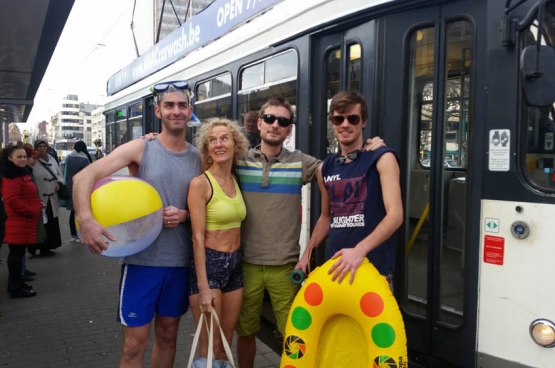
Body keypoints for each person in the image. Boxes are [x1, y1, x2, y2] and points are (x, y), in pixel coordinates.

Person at [234, 96, 383, 367]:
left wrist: (372, 148)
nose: (275, 125)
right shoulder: (238, 161)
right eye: (269, 119)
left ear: (289, 129)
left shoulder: (302, 162)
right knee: (246, 334)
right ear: (259, 123)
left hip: (285, 266)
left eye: (283, 121)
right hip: (246, 266)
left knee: (295, 337)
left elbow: (342, 167)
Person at [73, 80, 201, 368]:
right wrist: (86, 219)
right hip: (142, 263)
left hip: (180, 263)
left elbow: (209, 206)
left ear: (189, 110)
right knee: (134, 344)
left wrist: (185, 215)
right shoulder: (142, 147)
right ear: (158, 111)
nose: (176, 111)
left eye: (182, 106)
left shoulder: (198, 157)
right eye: (169, 106)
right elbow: (83, 178)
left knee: (168, 337)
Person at [297, 90, 403, 287]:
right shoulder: (324, 168)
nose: (345, 124)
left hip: (374, 270)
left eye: (352, 118)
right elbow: (326, 217)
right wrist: (306, 255)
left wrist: (359, 251)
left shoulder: (382, 158)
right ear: (332, 123)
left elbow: (395, 215)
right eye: (339, 119)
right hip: (336, 268)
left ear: (363, 122)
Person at [188, 118, 248, 362]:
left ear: (236, 144)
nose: (219, 144)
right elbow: (197, 238)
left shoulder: (236, 179)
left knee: (226, 340)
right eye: (212, 140)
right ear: (207, 148)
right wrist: (203, 287)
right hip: (210, 266)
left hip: (235, 264)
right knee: (210, 346)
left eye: (224, 138)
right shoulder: (200, 184)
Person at [1, 146, 42, 298]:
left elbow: (25, 195)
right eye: (19, 157)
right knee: (16, 255)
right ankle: (15, 287)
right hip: (18, 221)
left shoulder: (19, 173)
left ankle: (17, 283)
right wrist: (30, 211)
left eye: (24, 156)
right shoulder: (11, 176)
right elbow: (11, 199)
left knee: (18, 254)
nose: (23, 159)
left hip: (21, 220)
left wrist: (37, 204)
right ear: (10, 158)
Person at [32, 139, 62, 256]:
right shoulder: (33, 160)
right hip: (39, 196)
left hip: (52, 196)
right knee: (40, 223)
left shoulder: (52, 159)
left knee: (51, 222)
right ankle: (35, 248)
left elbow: (59, 174)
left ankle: (48, 247)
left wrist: (58, 183)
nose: (42, 148)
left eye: (44, 146)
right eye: (40, 146)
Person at [64, 141, 93, 242]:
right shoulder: (84, 159)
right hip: (82, 188)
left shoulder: (69, 157)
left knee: (73, 212)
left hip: (71, 187)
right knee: (80, 212)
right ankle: (79, 233)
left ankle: (73, 235)